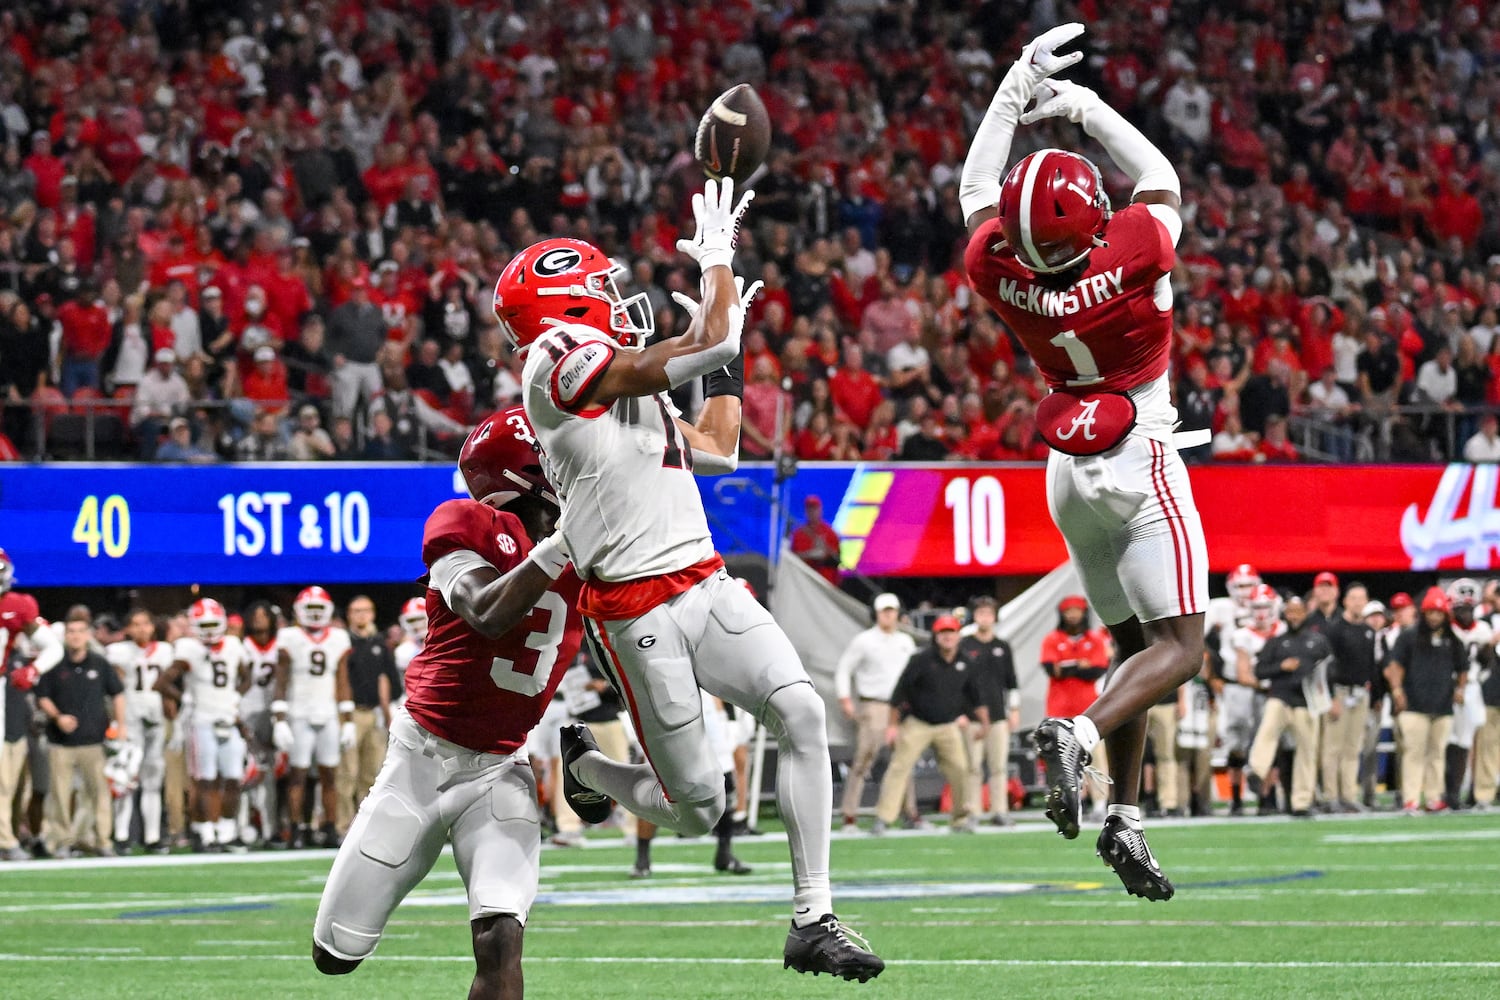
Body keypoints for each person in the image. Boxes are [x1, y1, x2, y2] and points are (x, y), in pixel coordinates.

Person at [509, 180, 882, 979]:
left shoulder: (614, 381)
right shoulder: (552, 366)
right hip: (634, 610)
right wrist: (717, 262)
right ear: (558, 311)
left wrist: (728, 356)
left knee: (802, 712)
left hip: (704, 582)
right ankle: (587, 767)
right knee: (698, 807)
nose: (615, 298)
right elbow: (701, 339)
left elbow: (719, 443)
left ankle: (813, 917)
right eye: (596, 290)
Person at [960, 23, 1207, 899]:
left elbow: (976, 187)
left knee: (1129, 643)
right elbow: (1163, 179)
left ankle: (1125, 820)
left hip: (1068, 466)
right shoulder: (1134, 248)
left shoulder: (998, 265)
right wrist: (1086, 107)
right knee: (1181, 649)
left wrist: (1012, 93)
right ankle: (1080, 736)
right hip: (1139, 448)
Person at [313, 407, 582, 1000]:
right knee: (335, 953)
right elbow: (486, 612)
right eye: (559, 456)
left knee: (499, 936)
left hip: (500, 769)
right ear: (522, 473)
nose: (577, 466)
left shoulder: (594, 554)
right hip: (420, 763)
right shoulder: (465, 522)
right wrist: (563, 545)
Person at [871, 614, 987, 835]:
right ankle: (883, 818)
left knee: (961, 770)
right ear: (936, 636)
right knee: (899, 767)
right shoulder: (921, 659)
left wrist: (984, 723)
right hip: (918, 722)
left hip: (948, 725)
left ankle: (961, 819)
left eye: (951, 632)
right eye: (943, 633)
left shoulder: (965, 662)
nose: (947, 637)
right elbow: (899, 693)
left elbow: (975, 696)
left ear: (957, 635)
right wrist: (893, 726)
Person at [157, 598, 250, 852]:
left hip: (228, 720)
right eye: (204, 624)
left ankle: (227, 831)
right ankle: (207, 833)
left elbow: (246, 676)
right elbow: (162, 682)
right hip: (201, 722)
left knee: (233, 778)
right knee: (205, 780)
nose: (209, 630)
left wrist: (236, 695)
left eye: (213, 624)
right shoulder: (188, 648)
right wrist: (184, 698)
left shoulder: (233, 645)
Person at [35, 609, 125, 857]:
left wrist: (120, 725)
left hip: (93, 741)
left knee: (99, 795)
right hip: (60, 742)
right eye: (71, 632)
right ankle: (62, 841)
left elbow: (116, 693)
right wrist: (57, 717)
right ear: (65, 635)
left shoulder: (99, 662)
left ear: (88, 634)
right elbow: (41, 696)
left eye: (79, 631)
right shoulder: (54, 663)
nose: (75, 636)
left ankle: (102, 840)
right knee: (60, 796)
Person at [272, 586, 354, 848]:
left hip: (327, 711)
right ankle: (296, 828)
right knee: (298, 774)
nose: (316, 614)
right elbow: (281, 680)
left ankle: (329, 828)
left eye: (320, 609)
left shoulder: (339, 637)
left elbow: (342, 680)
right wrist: (279, 718)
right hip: (298, 711)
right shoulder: (289, 636)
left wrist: (348, 719)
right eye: (311, 609)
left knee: (329, 773)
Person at [833, 593, 917, 829]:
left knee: (904, 761)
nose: (889, 615)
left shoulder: (905, 642)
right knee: (864, 760)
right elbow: (844, 669)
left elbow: (913, 677)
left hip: (901, 708)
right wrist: (845, 699)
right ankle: (849, 814)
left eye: (892, 610)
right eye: (884, 611)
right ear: (876, 614)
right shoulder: (864, 640)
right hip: (874, 705)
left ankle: (908, 812)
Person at [1385, 587, 1468, 813]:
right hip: (1414, 704)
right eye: (1431, 612)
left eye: (1438, 613)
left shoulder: (1452, 639)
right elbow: (1394, 665)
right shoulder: (1409, 636)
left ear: (1445, 615)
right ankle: (1410, 799)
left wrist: (1460, 689)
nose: (1434, 617)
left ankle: (1433, 798)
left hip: (1442, 705)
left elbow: (1463, 667)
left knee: (1437, 754)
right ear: (1424, 613)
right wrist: (1397, 691)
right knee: (1414, 753)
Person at [1246, 595, 1329, 817]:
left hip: (1306, 701)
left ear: (1305, 613)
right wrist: (1282, 667)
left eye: (1297, 611)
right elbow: (1260, 671)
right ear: (1285, 614)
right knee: (1267, 731)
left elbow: (1331, 668)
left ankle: (1301, 802)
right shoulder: (1276, 642)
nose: (1293, 616)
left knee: (1307, 752)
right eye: (1290, 612)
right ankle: (1256, 771)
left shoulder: (1317, 641)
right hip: (1280, 697)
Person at [104, 609, 172, 852]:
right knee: (125, 780)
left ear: (153, 626)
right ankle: (121, 835)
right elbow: (112, 688)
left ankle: (152, 836)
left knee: (153, 781)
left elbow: (170, 685)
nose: (141, 629)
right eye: (135, 624)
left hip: (155, 720)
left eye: (145, 623)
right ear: (127, 629)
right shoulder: (119, 652)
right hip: (129, 723)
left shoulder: (165, 651)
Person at [336, 595, 397, 835]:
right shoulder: (343, 643)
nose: (361, 615)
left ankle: (367, 828)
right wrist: (344, 716)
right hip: (351, 714)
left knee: (373, 774)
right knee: (347, 773)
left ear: (372, 613)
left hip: (374, 713)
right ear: (349, 615)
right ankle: (343, 827)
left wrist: (386, 711)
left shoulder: (379, 643)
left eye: (365, 610)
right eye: (356, 611)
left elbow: (387, 680)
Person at [959, 597, 1020, 825]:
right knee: (972, 766)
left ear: (994, 617)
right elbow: (958, 683)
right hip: (972, 716)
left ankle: (999, 811)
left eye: (988, 613)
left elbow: (1012, 681)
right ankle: (972, 811)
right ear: (974, 616)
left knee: (999, 767)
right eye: (980, 613)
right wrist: (960, 712)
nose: (984, 617)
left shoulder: (1001, 647)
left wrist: (1014, 709)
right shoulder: (965, 644)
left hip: (997, 715)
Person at [1320, 583, 1380, 812]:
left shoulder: (1367, 631)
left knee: (1353, 747)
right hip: (1341, 692)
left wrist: (1374, 695)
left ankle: (1348, 795)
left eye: (1361, 598)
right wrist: (1332, 696)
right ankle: (1330, 796)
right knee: (1332, 747)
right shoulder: (1335, 629)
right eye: (1353, 598)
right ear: (1345, 601)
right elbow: (1327, 666)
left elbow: (1370, 666)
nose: (1357, 602)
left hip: (1360, 693)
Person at [1443, 578, 1491, 810]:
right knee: (1448, 740)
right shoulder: (1446, 629)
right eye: (1460, 608)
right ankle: (1448, 792)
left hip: (1471, 687)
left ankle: (1468, 792)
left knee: (1467, 740)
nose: (1464, 613)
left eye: (1468, 608)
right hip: (1447, 687)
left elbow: (1487, 664)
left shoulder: (1483, 629)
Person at [238, 601, 282, 844]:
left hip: (274, 714)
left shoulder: (281, 645)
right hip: (246, 712)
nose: (258, 618)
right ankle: (241, 828)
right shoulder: (241, 646)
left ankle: (270, 828)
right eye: (254, 614)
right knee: (244, 774)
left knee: (270, 776)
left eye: (263, 614)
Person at [790, 495, 842, 586]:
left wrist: (825, 554)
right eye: (809, 509)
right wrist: (810, 554)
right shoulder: (799, 533)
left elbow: (837, 559)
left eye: (814, 509)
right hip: (804, 581)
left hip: (826, 582)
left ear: (820, 510)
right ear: (805, 511)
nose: (812, 512)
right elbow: (792, 557)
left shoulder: (830, 533)